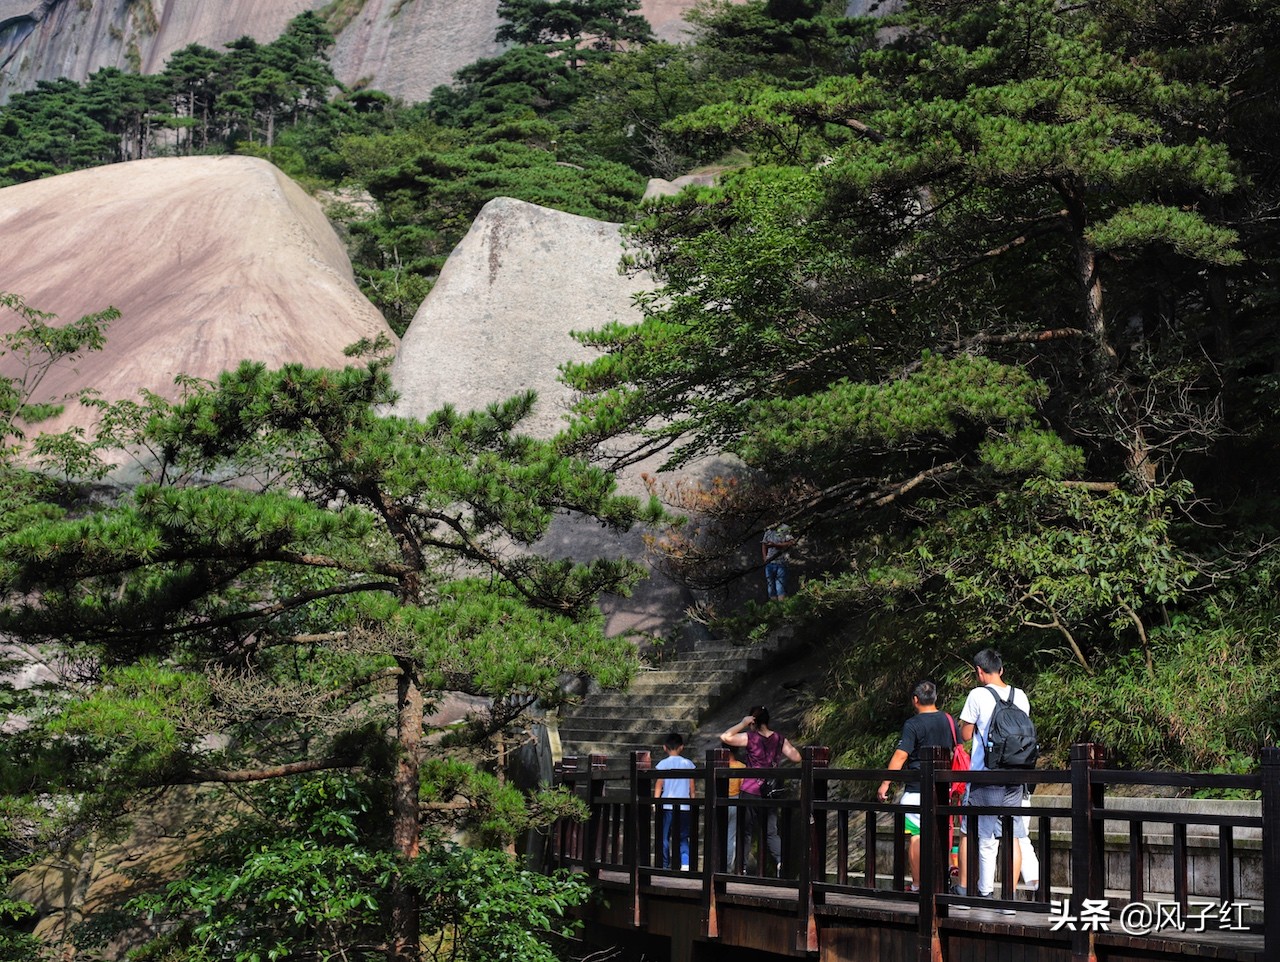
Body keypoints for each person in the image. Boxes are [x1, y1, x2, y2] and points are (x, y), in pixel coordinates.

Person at [954, 648, 1031, 911]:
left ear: (979, 671)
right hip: (1015, 776)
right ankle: (1008, 899)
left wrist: (973, 725)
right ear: (1001, 669)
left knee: (970, 831)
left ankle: (966, 893)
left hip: (985, 775)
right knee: (1013, 834)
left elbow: (965, 734)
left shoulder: (977, 694)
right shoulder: (1020, 695)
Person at [876, 680, 956, 891]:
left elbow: (901, 756)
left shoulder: (913, 724)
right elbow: (958, 748)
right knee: (941, 833)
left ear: (915, 700)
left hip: (916, 790)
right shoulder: (948, 720)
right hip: (943, 789)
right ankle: (942, 882)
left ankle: (918, 884)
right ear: (935, 698)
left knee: (916, 837)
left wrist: (886, 783)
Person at [720, 705, 801, 876]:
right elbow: (796, 757)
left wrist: (742, 723)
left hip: (750, 790)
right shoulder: (779, 739)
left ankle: (741, 867)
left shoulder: (750, 738)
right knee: (771, 832)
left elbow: (725, 737)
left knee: (746, 831)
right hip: (770, 792)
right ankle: (781, 862)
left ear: (753, 722)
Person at [654, 731, 696, 870]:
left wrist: (655, 802)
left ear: (664, 747)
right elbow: (692, 788)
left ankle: (664, 864)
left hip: (666, 805)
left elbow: (659, 785)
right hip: (684, 806)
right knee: (683, 837)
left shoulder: (663, 764)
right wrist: (693, 802)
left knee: (664, 836)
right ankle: (685, 863)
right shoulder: (688, 763)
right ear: (681, 747)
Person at [761, 524, 796, 601]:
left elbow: (791, 543)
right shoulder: (768, 530)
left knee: (780, 588)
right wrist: (765, 558)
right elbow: (764, 544)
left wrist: (776, 545)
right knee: (771, 589)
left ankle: (781, 608)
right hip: (770, 563)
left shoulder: (785, 528)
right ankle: (774, 609)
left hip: (781, 562)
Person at [725, 749, 746, 873]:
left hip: (720, 800)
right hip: (735, 800)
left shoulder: (719, 765)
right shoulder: (741, 767)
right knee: (731, 836)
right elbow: (743, 787)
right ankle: (728, 866)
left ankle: (717, 863)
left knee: (717, 834)